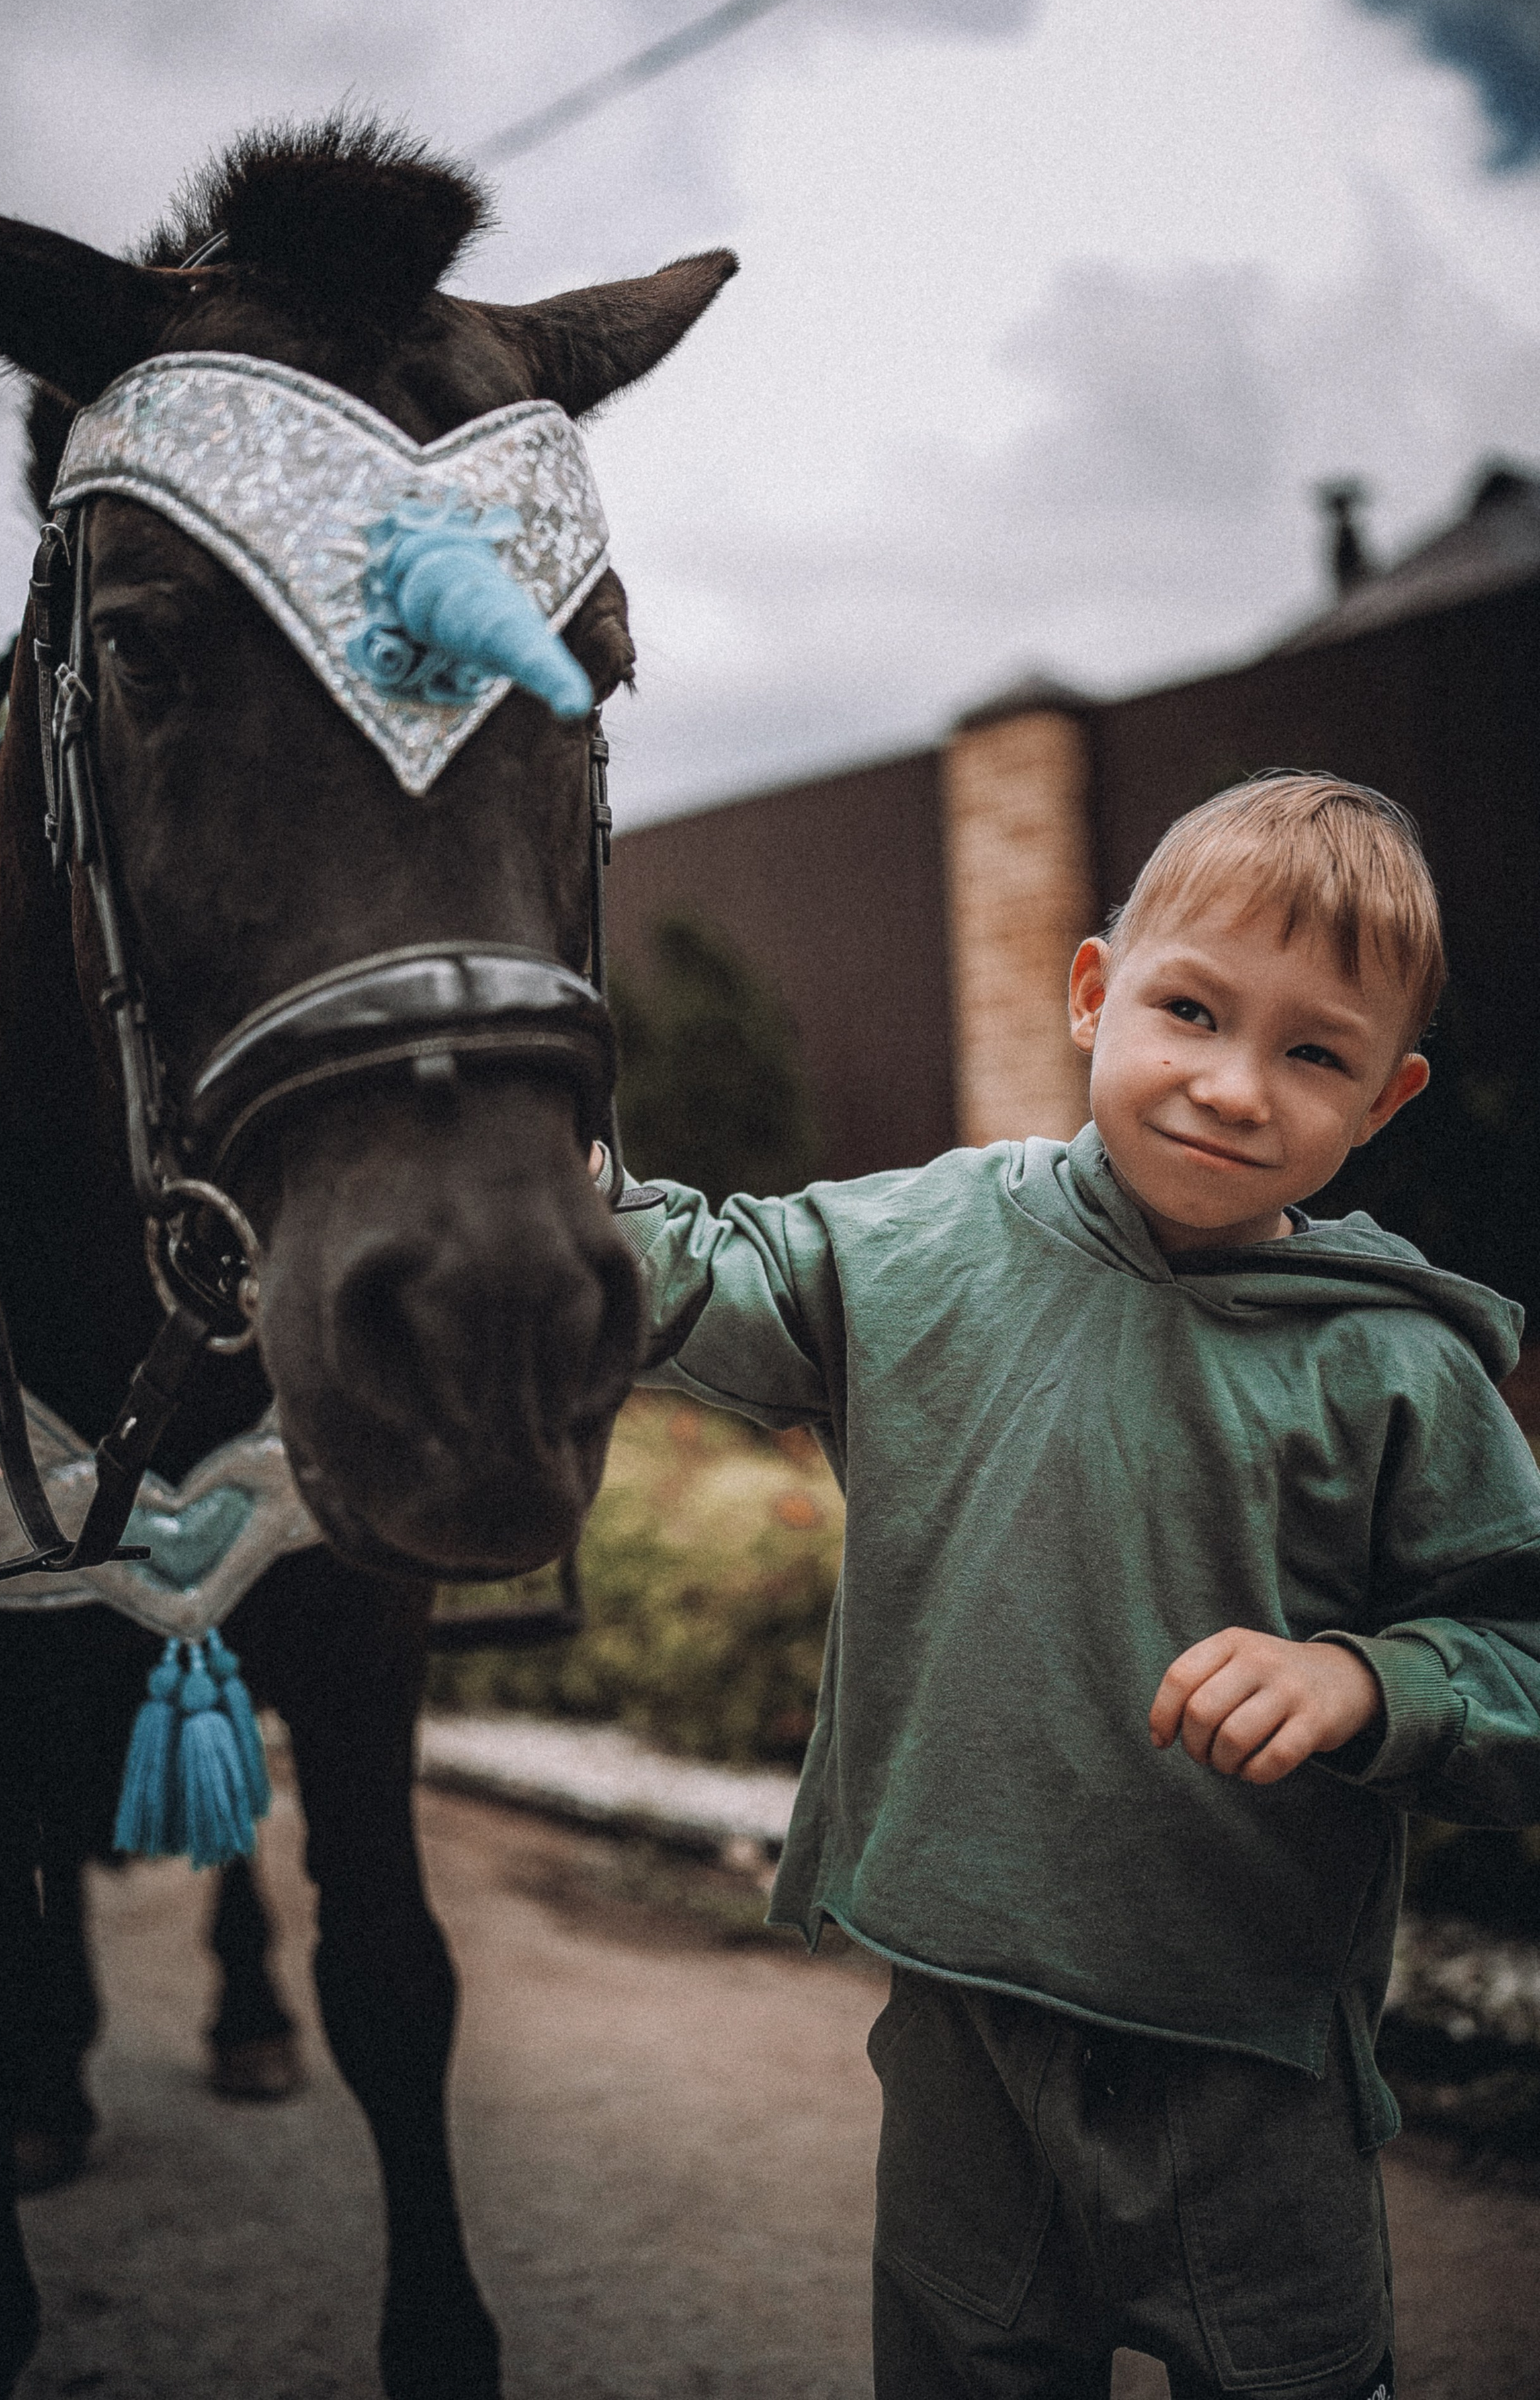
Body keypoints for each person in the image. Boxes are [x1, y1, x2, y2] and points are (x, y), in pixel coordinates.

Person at [595, 772, 1540, 2400]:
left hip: (1250, 2069)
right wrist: (547, 1175)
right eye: (1189, 1010)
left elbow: (1517, 1658)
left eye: (1310, 1052)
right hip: (960, 2034)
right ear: (1094, 992)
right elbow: (689, 1277)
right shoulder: (926, 1242)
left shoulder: (1398, 1365)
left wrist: (1368, 1683)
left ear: (1382, 1102)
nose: (1232, 1087)